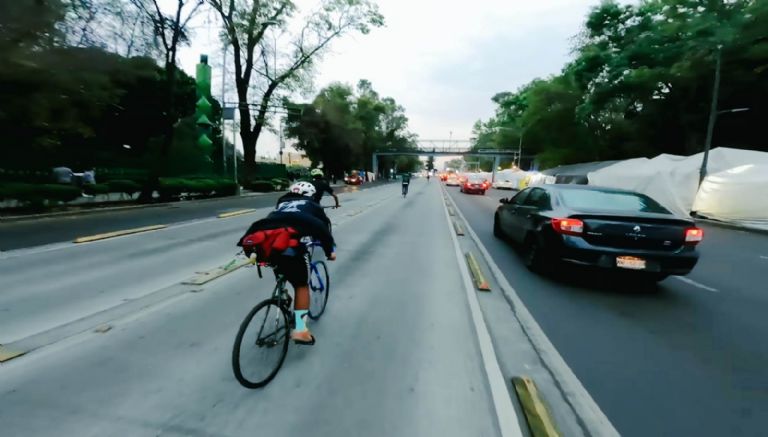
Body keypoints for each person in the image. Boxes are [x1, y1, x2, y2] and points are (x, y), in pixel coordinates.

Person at [238, 181, 336, 345]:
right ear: (311, 195)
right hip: (290, 249)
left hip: (265, 247)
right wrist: (329, 251)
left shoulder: (282, 203)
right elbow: (322, 226)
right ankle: (300, 330)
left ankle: (283, 296)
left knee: (281, 265)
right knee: (301, 285)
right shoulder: (312, 205)